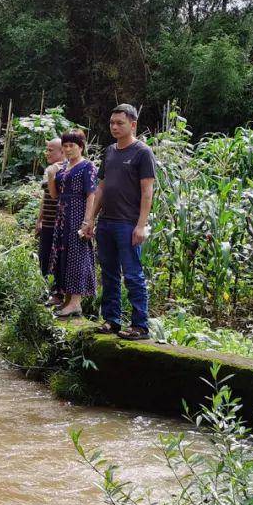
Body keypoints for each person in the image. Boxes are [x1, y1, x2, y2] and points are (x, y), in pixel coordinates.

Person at [79, 103, 155, 339]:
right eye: (112, 123)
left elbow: (147, 191)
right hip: (106, 223)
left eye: (120, 123)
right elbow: (101, 188)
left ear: (133, 125)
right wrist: (90, 219)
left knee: (132, 274)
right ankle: (112, 320)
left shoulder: (142, 153)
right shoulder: (110, 151)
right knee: (109, 273)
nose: (114, 126)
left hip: (127, 224)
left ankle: (140, 325)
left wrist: (141, 225)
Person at [49, 130, 97, 318]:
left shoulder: (87, 167)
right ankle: (68, 301)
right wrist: (52, 175)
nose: (68, 149)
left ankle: (76, 302)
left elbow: (91, 194)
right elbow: (54, 195)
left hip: (78, 215)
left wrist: (87, 220)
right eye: (65, 146)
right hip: (62, 216)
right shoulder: (62, 168)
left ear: (81, 147)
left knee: (77, 257)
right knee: (63, 256)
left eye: (72, 146)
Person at [36, 138, 65, 304]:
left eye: (50, 150)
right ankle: (46, 290)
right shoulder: (49, 170)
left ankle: (57, 293)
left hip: (59, 223)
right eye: (46, 150)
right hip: (46, 222)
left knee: (56, 258)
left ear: (62, 151)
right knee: (44, 257)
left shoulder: (65, 171)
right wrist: (39, 220)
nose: (47, 153)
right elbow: (45, 197)